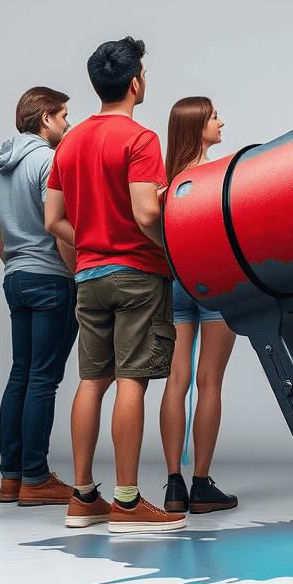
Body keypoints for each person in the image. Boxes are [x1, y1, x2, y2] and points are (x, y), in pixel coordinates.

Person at [45, 37, 185, 533]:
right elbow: (147, 210)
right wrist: (167, 249)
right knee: (132, 381)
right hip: (137, 276)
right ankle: (127, 504)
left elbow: (52, 218)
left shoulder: (72, 140)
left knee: (91, 381)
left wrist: (90, 241)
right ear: (135, 82)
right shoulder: (140, 139)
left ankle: (83, 498)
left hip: (89, 277)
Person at [0, 87, 79, 507]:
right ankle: (37, 478)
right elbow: (55, 224)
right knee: (44, 377)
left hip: (15, 278)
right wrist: (78, 275)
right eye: (63, 117)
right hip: (51, 280)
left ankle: (11, 478)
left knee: (20, 373)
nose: (67, 124)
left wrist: (16, 262)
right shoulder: (48, 160)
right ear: (44, 118)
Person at [158, 97, 239, 513]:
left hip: (174, 282)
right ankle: (202, 485)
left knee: (176, 380)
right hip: (215, 283)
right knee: (209, 382)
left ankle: (173, 486)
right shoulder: (218, 175)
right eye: (213, 117)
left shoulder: (164, 181)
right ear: (197, 127)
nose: (221, 122)